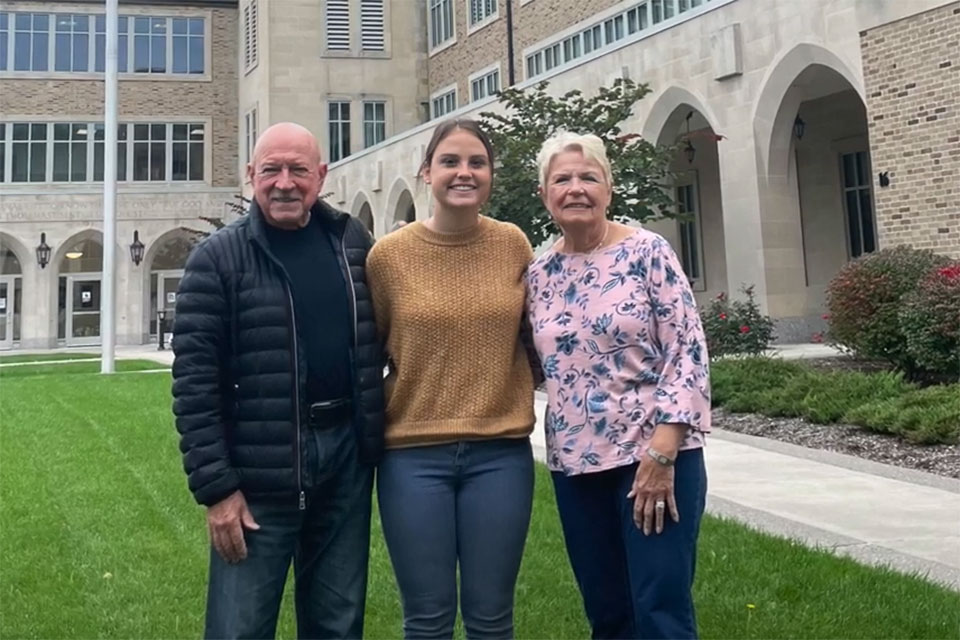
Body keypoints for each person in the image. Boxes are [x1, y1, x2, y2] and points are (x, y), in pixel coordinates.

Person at [171, 122, 384, 639]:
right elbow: (195, 386)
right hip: (257, 474)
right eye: (271, 170)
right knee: (239, 629)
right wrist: (218, 490)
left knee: (337, 624)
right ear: (251, 176)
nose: (285, 182)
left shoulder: (352, 241)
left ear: (322, 176)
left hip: (345, 465)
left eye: (298, 170)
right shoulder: (216, 259)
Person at [525, 131, 711, 640]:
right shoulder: (540, 273)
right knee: (607, 613)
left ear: (609, 188)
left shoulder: (648, 252)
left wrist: (664, 453)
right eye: (562, 179)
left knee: (660, 610)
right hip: (575, 463)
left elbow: (687, 351)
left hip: (653, 456)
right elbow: (532, 361)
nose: (576, 188)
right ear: (545, 195)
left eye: (589, 177)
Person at [366, 118, 536, 640]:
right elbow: (366, 354)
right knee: (428, 620)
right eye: (450, 162)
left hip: (500, 454)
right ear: (426, 173)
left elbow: (539, 336)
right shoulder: (388, 257)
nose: (464, 172)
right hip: (413, 457)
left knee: (491, 619)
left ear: (490, 175)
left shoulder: (513, 245)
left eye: (476, 163)